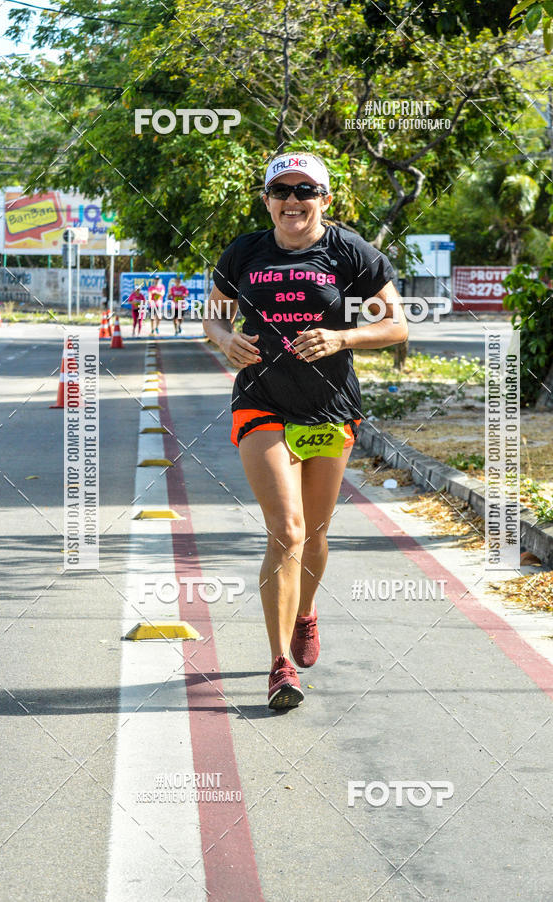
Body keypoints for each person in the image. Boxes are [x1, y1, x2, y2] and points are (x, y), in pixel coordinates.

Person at [203, 152, 408, 710]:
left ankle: (305, 614)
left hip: (329, 407)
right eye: (282, 191)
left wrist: (342, 339)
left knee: (315, 534)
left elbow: (395, 324)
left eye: (305, 190)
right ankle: (280, 665)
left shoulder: (351, 251)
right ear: (267, 199)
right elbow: (214, 315)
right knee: (287, 531)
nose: (293, 201)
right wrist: (224, 340)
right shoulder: (244, 251)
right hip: (260, 401)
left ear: (325, 198)